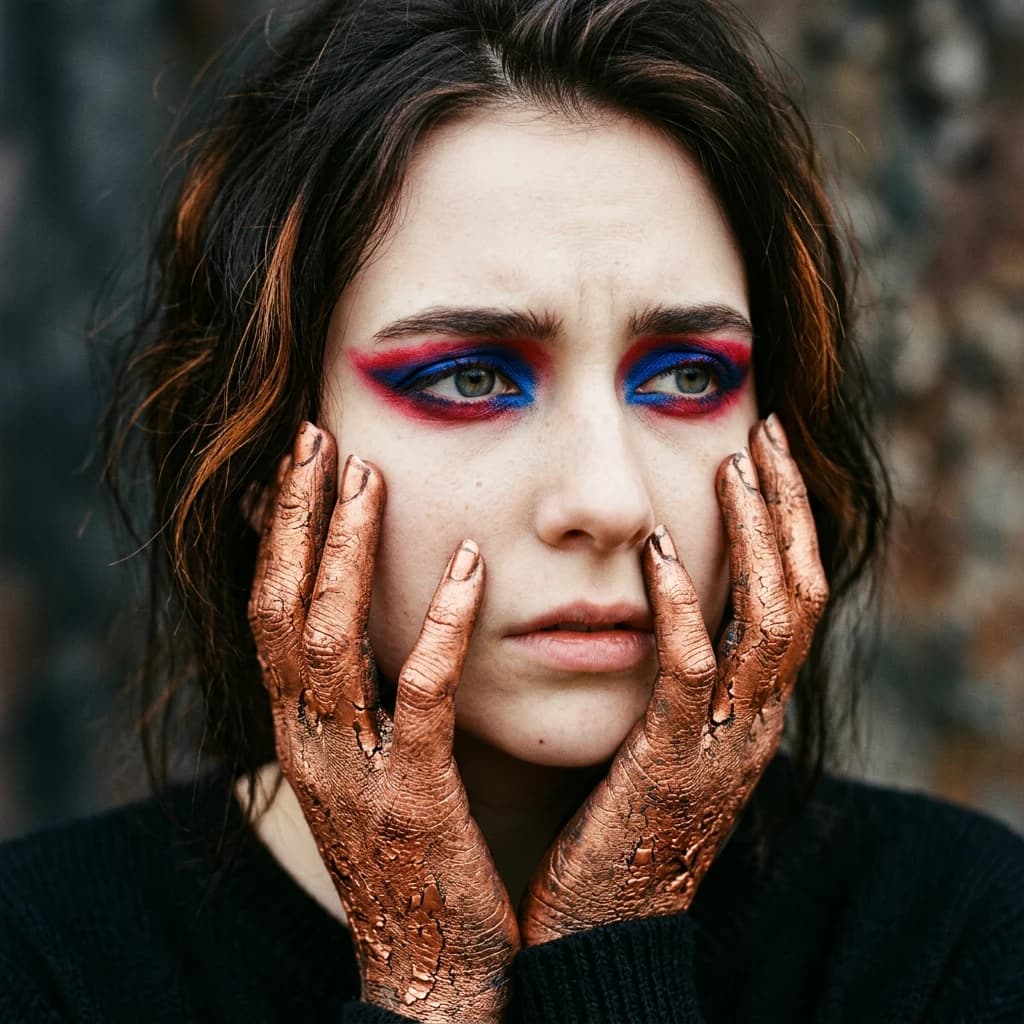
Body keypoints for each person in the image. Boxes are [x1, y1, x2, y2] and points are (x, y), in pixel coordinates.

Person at [2, 0, 1022, 1021]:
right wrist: (427, 983)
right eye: (472, 378)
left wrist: (617, 941)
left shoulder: (954, 939)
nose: (608, 501)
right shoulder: (42, 963)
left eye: (684, 376)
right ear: (264, 456)